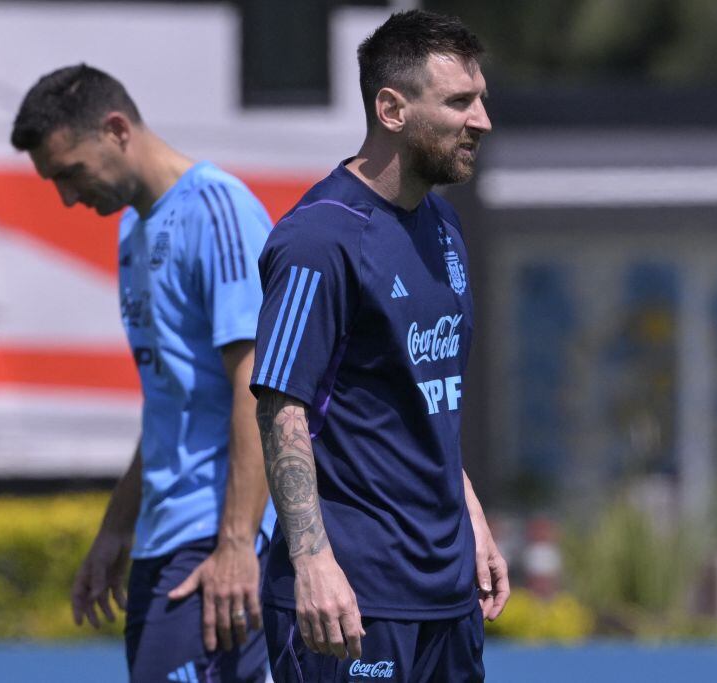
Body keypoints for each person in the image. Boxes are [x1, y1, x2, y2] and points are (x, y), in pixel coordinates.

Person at [251, 10, 509, 682]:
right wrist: (312, 563)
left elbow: (422, 396)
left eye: (480, 99)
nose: (481, 120)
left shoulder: (443, 224)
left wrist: (470, 513)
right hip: (352, 601)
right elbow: (281, 409)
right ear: (391, 108)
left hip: (448, 597)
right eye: (459, 102)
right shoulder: (319, 240)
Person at [11, 64, 276, 683]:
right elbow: (172, 401)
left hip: (215, 537)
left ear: (116, 128)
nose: (69, 199)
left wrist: (237, 544)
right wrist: (117, 527)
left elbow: (260, 385)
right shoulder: (136, 226)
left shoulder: (217, 208)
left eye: (71, 173)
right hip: (167, 537)